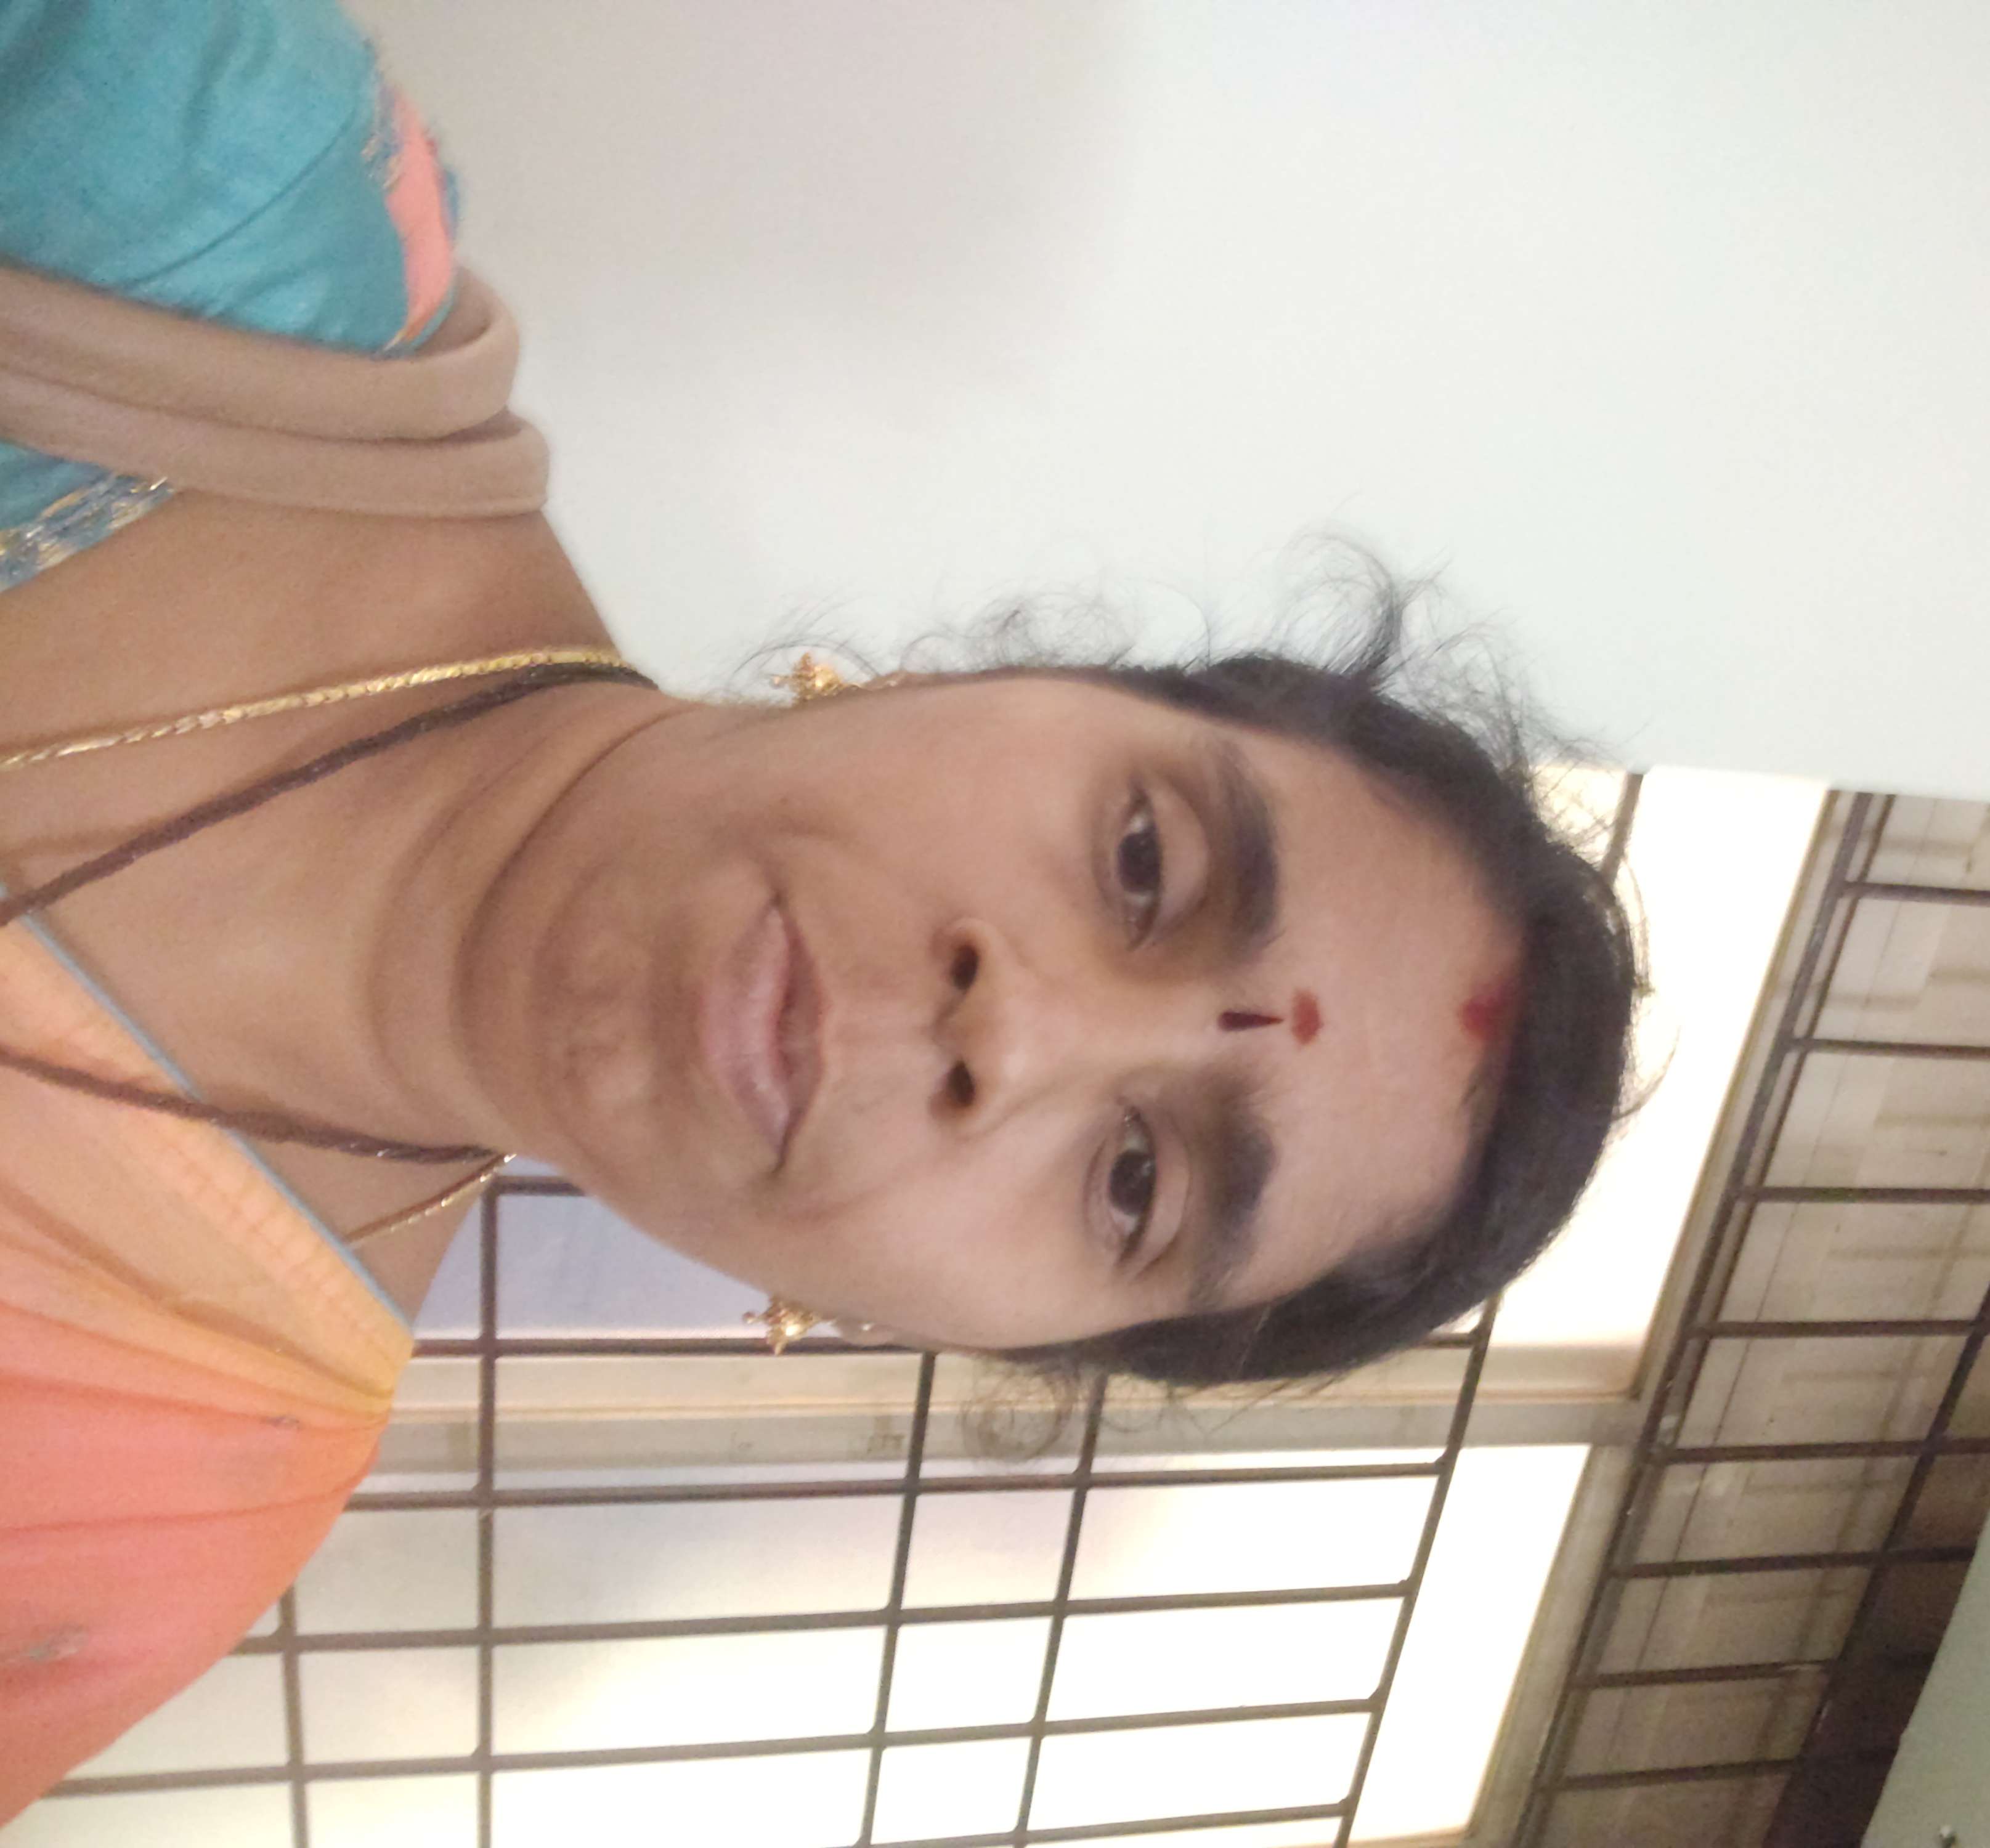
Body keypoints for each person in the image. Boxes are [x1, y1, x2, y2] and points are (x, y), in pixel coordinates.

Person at [0, 0, 1638, 1814]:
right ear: (1007, 680)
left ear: (946, 1333)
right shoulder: (204, 202)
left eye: (1134, 1183)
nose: (1013, 1030)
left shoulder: (131, 1522)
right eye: (1145, 862)